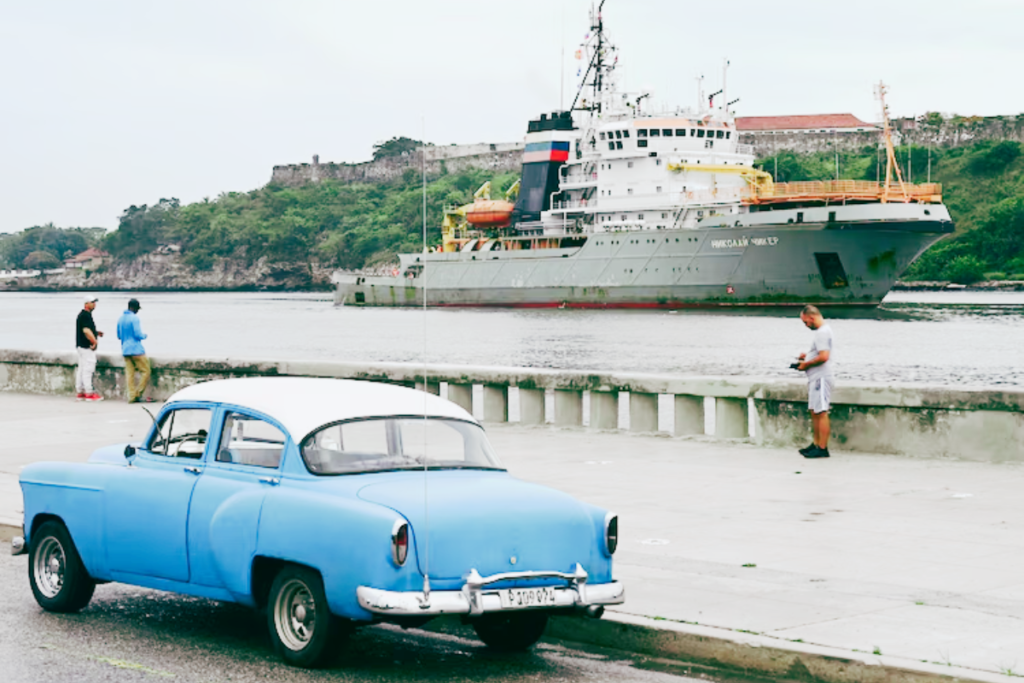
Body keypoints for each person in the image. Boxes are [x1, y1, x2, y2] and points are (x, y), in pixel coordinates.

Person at [795, 305, 834, 459]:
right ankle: (816, 444)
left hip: (821, 377)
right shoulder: (823, 332)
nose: (806, 325)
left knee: (821, 412)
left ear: (811, 317)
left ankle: (822, 448)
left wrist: (806, 364)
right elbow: (820, 353)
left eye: (806, 322)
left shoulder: (822, 333)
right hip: (816, 378)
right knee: (814, 411)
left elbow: (824, 357)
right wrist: (808, 356)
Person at [116, 298, 152, 403]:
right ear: (135, 308)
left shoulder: (121, 319)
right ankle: (138, 393)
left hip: (125, 349)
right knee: (146, 370)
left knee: (129, 374)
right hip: (136, 349)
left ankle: (131, 396)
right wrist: (144, 336)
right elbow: (137, 334)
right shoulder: (135, 318)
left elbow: (119, 335)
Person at [75, 295, 104, 401]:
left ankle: (80, 391)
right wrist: (94, 341)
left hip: (80, 346)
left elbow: (87, 329)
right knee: (88, 368)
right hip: (86, 347)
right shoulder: (86, 316)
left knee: (82, 369)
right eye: (92, 302)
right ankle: (89, 393)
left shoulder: (82, 315)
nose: (94, 304)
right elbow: (86, 330)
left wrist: (96, 333)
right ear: (86, 304)